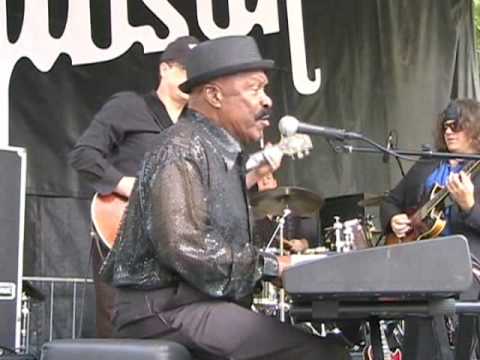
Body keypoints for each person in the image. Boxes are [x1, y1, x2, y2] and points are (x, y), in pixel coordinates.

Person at [100, 35, 350, 360]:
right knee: (319, 353)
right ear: (214, 95)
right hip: (162, 309)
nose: (267, 100)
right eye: (254, 88)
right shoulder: (179, 148)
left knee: (318, 343)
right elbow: (183, 246)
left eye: (264, 89)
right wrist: (273, 265)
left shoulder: (222, 155)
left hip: (196, 304)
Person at [69, 35, 200, 337]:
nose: (189, 78)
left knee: (173, 325)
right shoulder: (129, 106)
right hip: (124, 232)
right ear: (164, 69)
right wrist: (124, 184)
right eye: (183, 70)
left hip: (170, 243)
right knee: (118, 326)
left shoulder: (195, 127)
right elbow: (84, 154)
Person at [381, 98, 480, 360]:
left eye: (456, 126)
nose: (448, 131)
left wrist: (470, 206)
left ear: (474, 130)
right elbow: (391, 200)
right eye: (445, 126)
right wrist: (394, 220)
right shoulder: (429, 163)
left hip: (469, 268)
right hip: (420, 263)